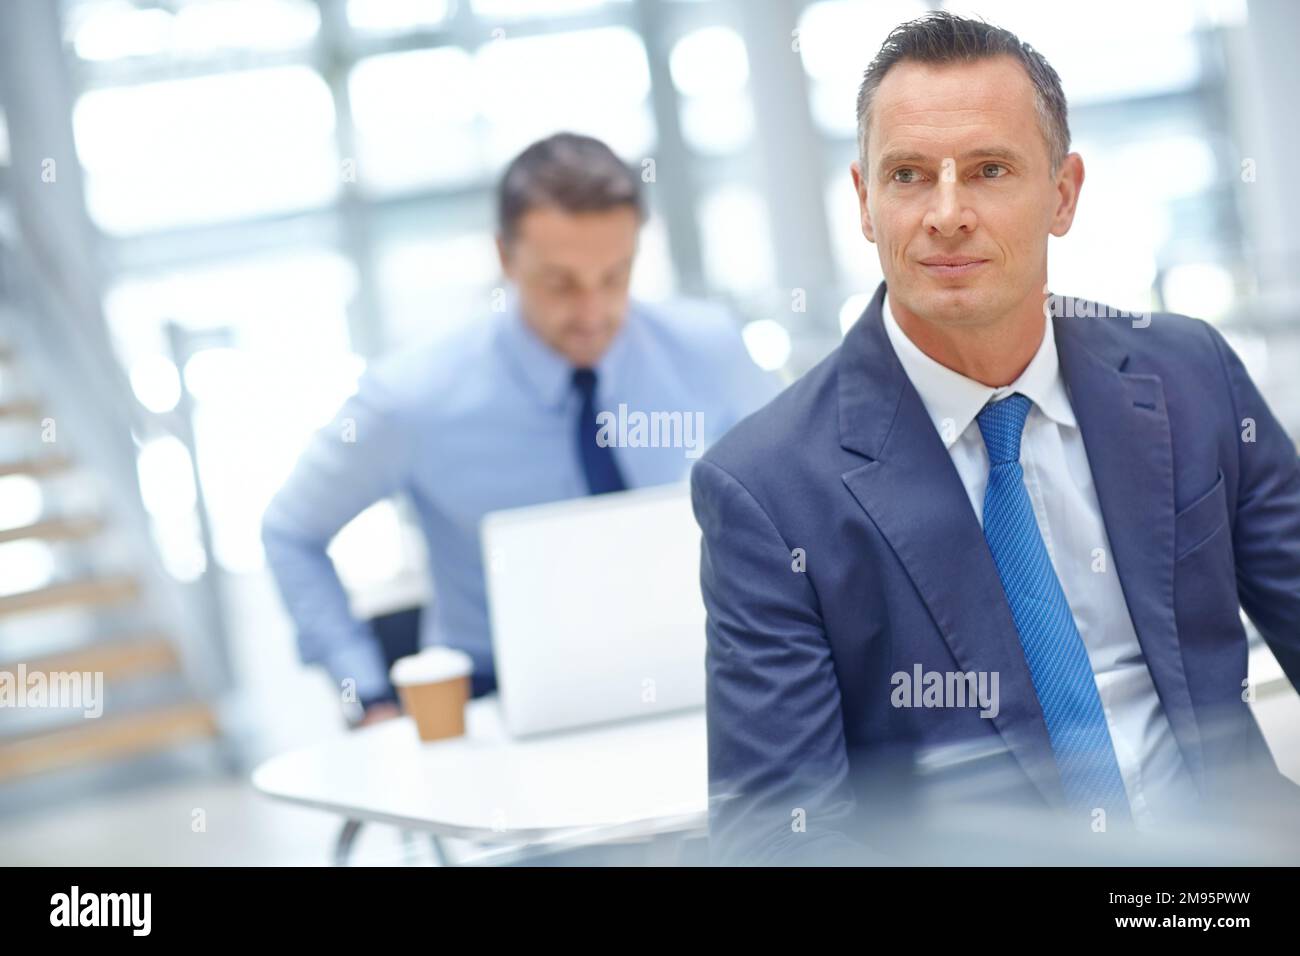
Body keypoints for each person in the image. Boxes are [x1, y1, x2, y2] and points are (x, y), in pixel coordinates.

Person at [692, 12, 1300, 865]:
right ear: (866, 203)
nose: (946, 215)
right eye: (909, 175)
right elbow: (778, 841)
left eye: (988, 170)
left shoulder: (1189, 373)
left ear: (1063, 193)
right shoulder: (768, 488)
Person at [264, 132, 777, 726]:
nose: (591, 314)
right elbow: (291, 529)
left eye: (615, 277)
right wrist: (367, 693)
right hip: (494, 708)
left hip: (702, 678)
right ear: (505, 257)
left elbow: (794, 497)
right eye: (560, 283)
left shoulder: (708, 350)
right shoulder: (412, 398)